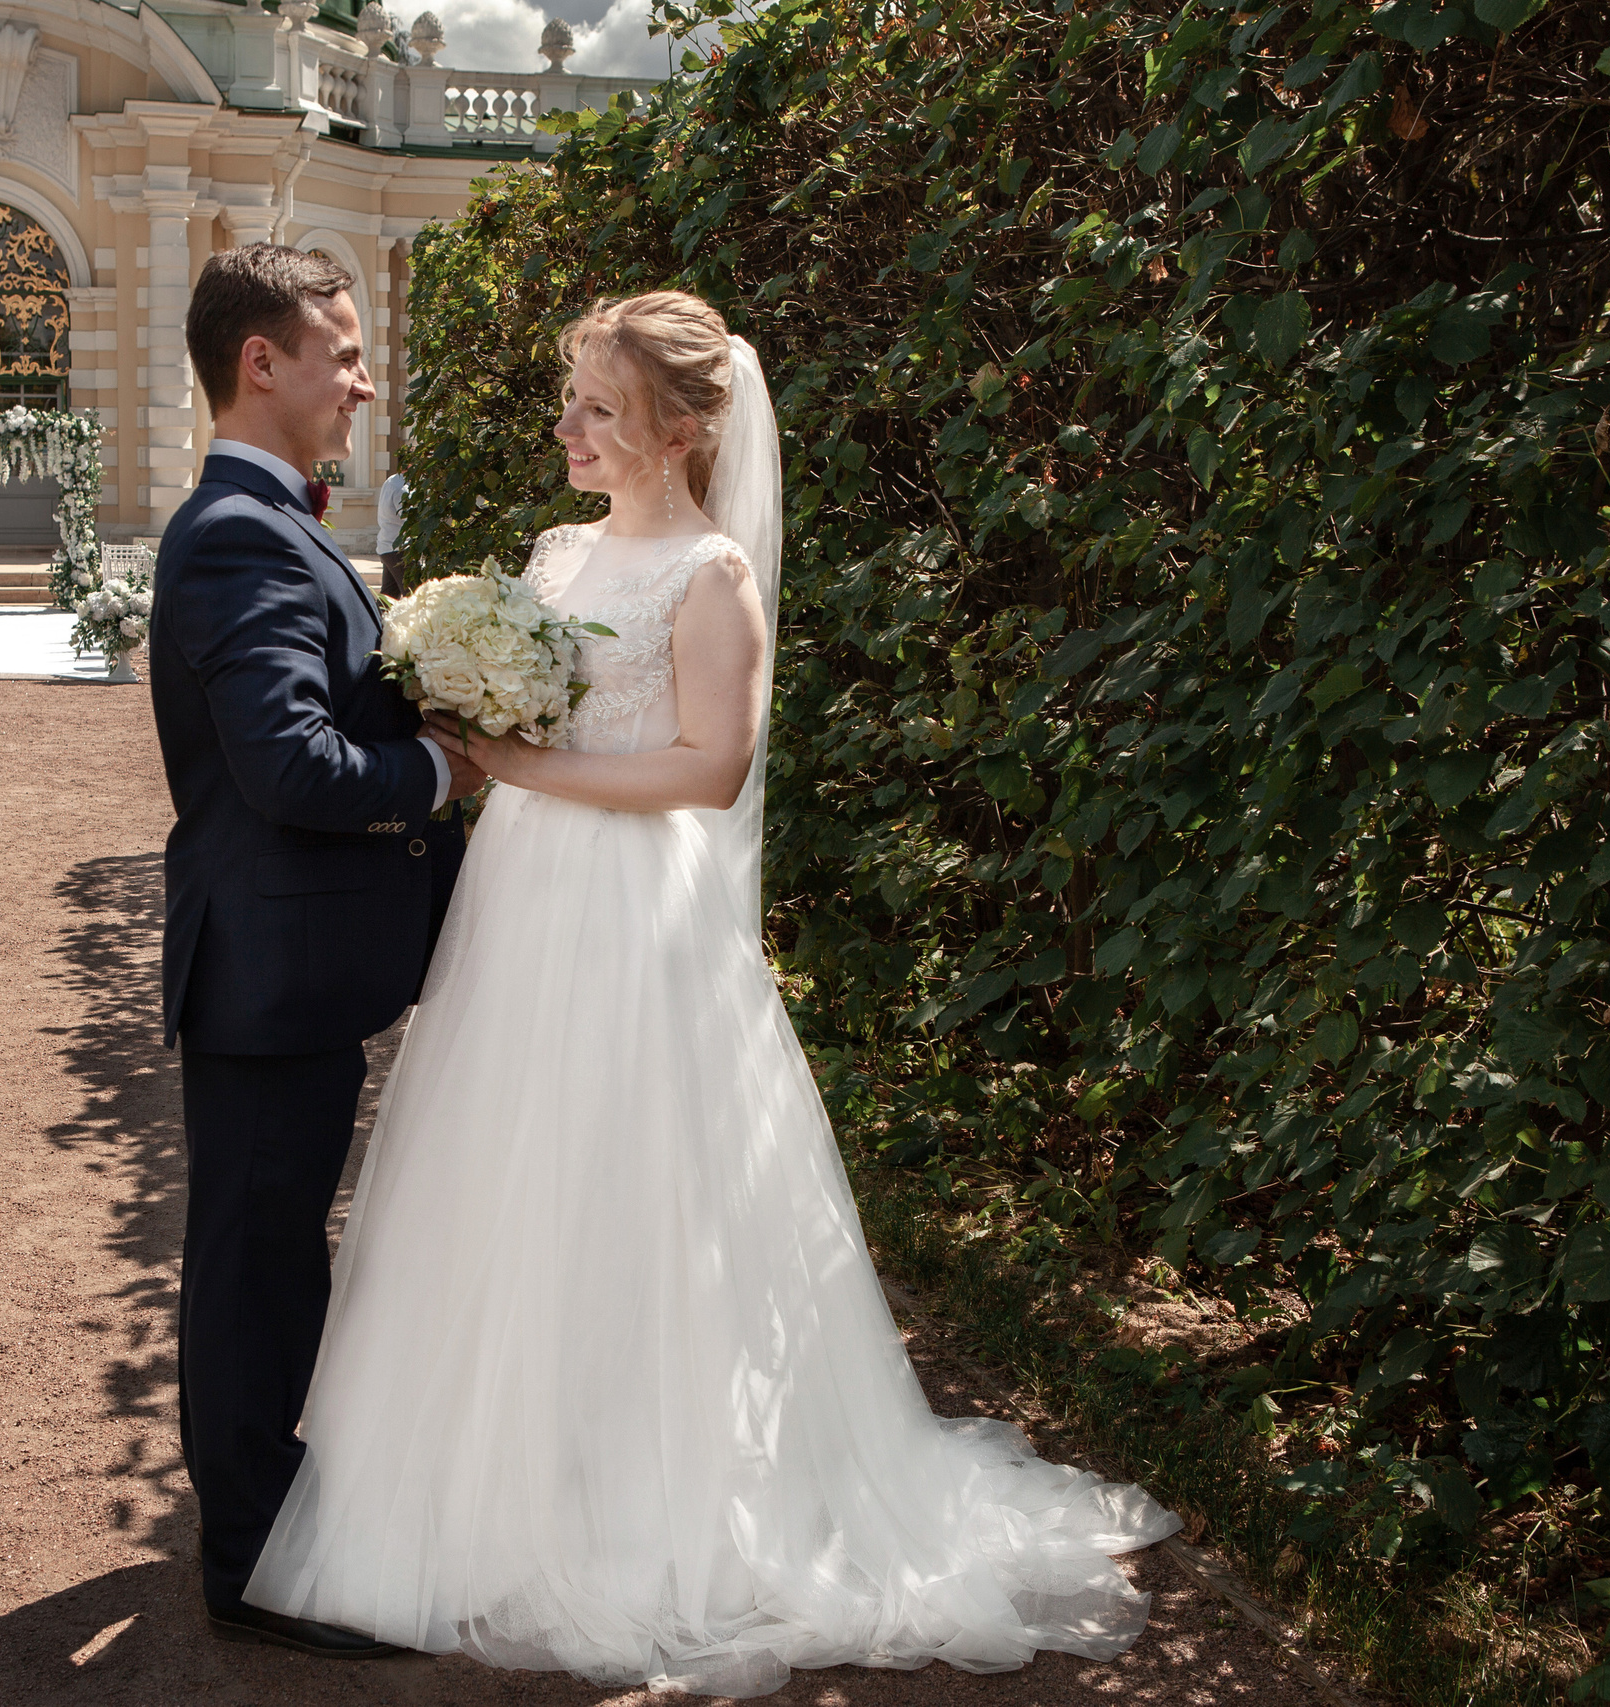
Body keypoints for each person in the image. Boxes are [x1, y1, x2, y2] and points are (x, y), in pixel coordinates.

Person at [242, 291, 1180, 1697]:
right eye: (570, 399)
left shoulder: (711, 573)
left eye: (598, 408)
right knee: (508, 1167)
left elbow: (708, 767)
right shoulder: (556, 554)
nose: (568, 427)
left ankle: (657, 1489)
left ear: (679, 431)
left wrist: (524, 766)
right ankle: (496, 1471)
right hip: (524, 899)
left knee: (645, 1178)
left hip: (637, 911)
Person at [147, 243, 481, 1660]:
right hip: (266, 972)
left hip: (286, 968)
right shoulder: (238, 532)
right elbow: (289, 765)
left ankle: (273, 1523)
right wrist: (443, 771)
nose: (363, 380)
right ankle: (254, 1567)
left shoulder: (263, 520)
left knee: (272, 1253)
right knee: (255, 1263)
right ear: (260, 362)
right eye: (341, 354)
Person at [374, 469, 408, 556]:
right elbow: (410, 518)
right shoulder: (402, 488)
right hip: (398, 548)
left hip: (385, 546)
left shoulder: (392, 480)